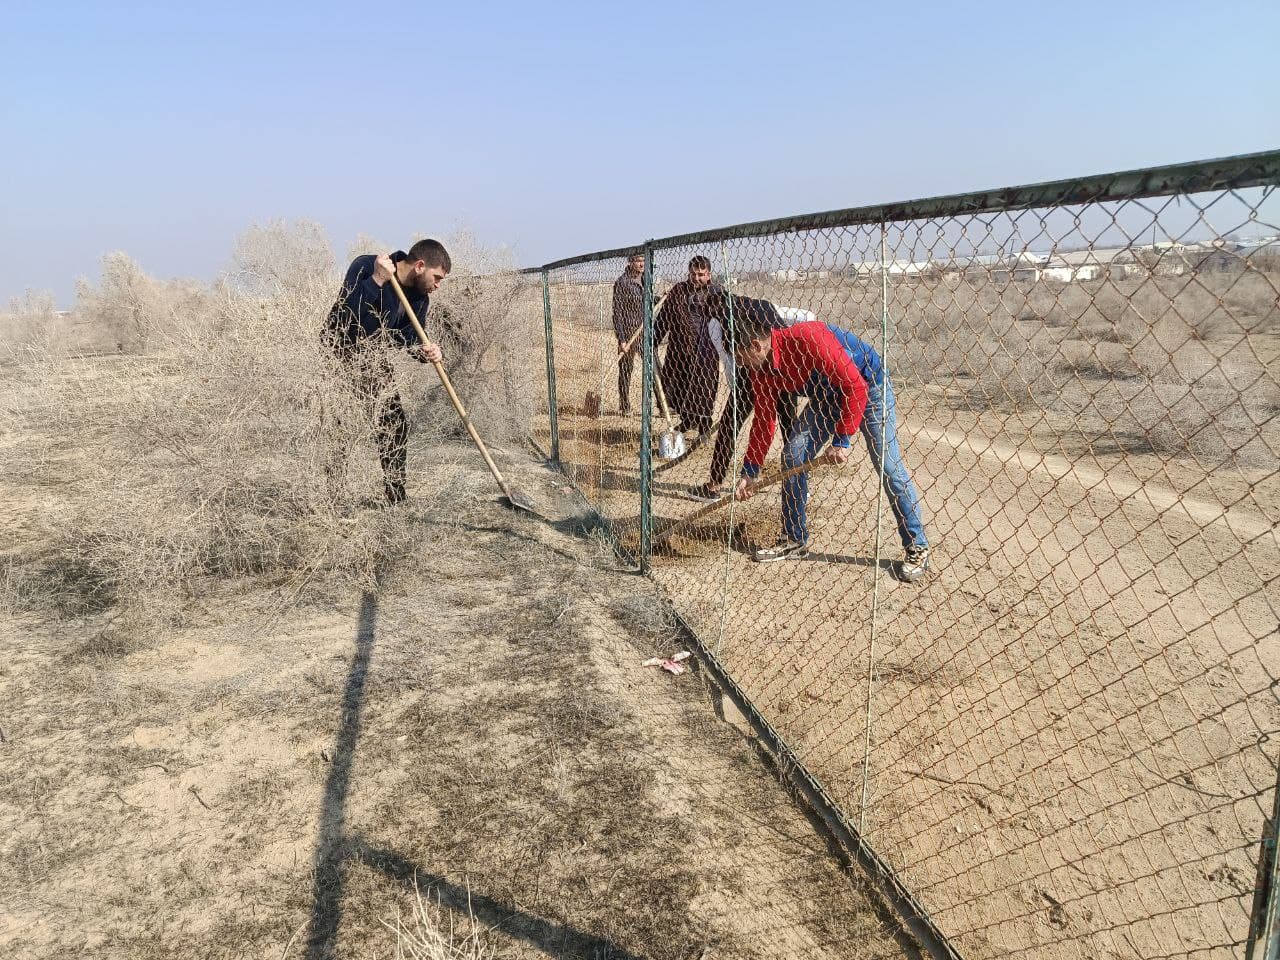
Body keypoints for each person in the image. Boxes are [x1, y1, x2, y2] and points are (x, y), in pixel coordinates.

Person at [731, 313, 930, 582]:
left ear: (756, 345)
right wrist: (750, 470)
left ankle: (916, 545)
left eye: (741, 358)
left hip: (868, 387)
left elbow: (855, 386)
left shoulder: (808, 338)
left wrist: (841, 440)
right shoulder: (761, 370)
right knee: (794, 456)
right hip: (827, 397)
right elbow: (764, 420)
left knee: (888, 466)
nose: (741, 365)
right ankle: (793, 538)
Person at [322, 239, 451, 505]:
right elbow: (347, 320)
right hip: (339, 354)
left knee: (394, 423)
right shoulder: (365, 266)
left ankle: (395, 494)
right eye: (437, 277)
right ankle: (332, 500)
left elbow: (408, 336)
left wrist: (427, 351)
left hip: (372, 359)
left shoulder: (419, 298)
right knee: (339, 428)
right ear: (419, 265)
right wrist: (377, 280)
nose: (437, 285)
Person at [686, 292, 813, 502]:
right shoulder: (761, 305)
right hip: (781, 367)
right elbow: (796, 323)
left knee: (729, 425)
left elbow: (731, 361)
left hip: (751, 374)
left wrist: (735, 387)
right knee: (789, 428)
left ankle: (714, 485)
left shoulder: (722, 321)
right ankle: (800, 487)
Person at [653, 255, 722, 435]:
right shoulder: (679, 290)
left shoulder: (716, 293)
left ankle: (704, 425)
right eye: (693, 274)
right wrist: (652, 340)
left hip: (705, 352)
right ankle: (688, 419)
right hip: (680, 349)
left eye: (701, 274)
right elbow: (663, 318)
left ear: (708, 274)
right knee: (680, 388)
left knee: (704, 390)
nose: (696, 278)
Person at [611, 252, 646, 414]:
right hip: (629, 331)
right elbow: (617, 312)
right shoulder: (622, 283)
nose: (642, 264)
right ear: (630, 262)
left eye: (644, 260)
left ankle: (662, 405)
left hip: (645, 330)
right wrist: (622, 339)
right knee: (626, 369)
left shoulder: (647, 279)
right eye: (638, 260)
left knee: (654, 368)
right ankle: (624, 405)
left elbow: (647, 299)